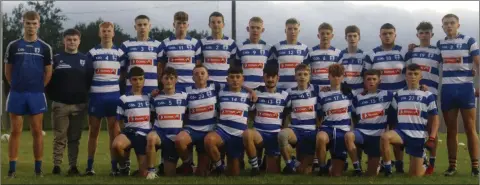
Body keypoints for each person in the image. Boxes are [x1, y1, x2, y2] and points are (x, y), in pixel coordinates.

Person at [4, 11, 53, 178]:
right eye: (28, 23)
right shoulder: (13, 45)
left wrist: (38, 87)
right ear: (23, 23)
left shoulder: (45, 48)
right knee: (15, 130)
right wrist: (17, 85)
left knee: (37, 131)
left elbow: (48, 72)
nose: (31, 26)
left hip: (36, 94)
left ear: (39, 24)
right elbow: (8, 70)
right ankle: (12, 169)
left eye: (34, 23)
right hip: (17, 93)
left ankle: (38, 169)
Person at [436, 13, 479, 177]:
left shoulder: (469, 40)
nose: (449, 26)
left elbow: (478, 63)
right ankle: (452, 167)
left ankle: (475, 167)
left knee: (470, 128)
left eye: (452, 23)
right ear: (442, 27)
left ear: (458, 25)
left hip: (466, 88)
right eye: (446, 24)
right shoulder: (440, 44)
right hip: (447, 88)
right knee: (451, 130)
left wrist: (478, 85)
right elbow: (431, 63)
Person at [380, 63, 440, 177]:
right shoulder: (398, 94)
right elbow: (392, 117)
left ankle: (424, 163)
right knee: (385, 137)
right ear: (405, 76)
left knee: (414, 175)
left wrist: (431, 138)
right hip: (401, 133)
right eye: (410, 74)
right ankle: (388, 169)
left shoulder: (428, 95)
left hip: (417, 135)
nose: (413, 76)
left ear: (420, 77)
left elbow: (436, 120)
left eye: (416, 74)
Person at [365, 23, 408, 173]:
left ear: (395, 34)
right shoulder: (372, 54)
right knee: (380, 132)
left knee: (396, 131)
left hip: (400, 99)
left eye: (390, 33)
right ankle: (383, 162)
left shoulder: (404, 52)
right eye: (384, 33)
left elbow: (412, 73)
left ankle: (400, 164)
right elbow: (367, 77)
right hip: (380, 99)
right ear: (380, 35)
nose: (387, 36)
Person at [84, 21, 125, 176]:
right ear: (99, 33)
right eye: (104, 31)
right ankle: (89, 166)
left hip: (113, 96)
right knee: (93, 131)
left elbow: (123, 74)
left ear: (113, 33)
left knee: (114, 132)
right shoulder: (92, 52)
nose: (106, 33)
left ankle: (114, 167)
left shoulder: (120, 53)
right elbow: (88, 75)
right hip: (96, 96)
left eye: (109, 30)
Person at [47, 28, 88, 176]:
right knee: (59, 137)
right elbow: (47, 80)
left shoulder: (85, 59)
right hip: (60, 105)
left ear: (79, 41)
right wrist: (54, 97)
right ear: (64, 41)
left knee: (74, 138)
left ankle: (73, 166)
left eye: (75, 39)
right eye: (69, 39)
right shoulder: (56, 59)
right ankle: (57, 166)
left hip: (79, 105)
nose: (72, 42)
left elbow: (89, 81)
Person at [405, 21, 442, 175]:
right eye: (421, 32)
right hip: (414, 94)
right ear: (417, 34)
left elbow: (451, 66)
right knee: (417, 126)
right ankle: (421, 159)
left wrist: (470, 72)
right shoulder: (411, 52)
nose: (424, 35)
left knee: (432, 126)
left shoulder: (438, 51)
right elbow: (406, 72)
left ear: (432, 34)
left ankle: (431, 163)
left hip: (431, 92)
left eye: (427, 32)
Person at [204, 66, 254, 176]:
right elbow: (205, 83)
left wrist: (251, 90)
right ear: (227, 80)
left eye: (238, 77)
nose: (235, 80)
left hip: (238, 134)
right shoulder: (220, 91)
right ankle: (219, 168)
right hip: (222, 132)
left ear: (242, 79)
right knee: (209, 140)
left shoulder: (249, 95)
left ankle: (234, 165)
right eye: (232, 77)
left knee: (234, 174)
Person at [345, 69, 394, 176]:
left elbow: (404, 96)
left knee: (371, 174)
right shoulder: (357, 98)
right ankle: (357, 168)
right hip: (361, 133)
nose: (371, 81)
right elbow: (354, 115)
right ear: (364, 81)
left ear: (379, 81)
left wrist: (421, 88)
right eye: (368, 79)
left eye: (374, 79)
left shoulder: (388, 95)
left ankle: (382, 165)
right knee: (349, 136)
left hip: (377, 136)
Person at [175, 64, 220, 176]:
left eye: (202, 73)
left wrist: (252, 91)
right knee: (179, 140)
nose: (200, 76)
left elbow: (237, 86)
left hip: (208, 131)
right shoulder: (186, 91)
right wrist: (156, 93)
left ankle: (209, 164)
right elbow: (169, 91)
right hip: (192, 129)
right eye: (196, 74)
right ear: (192, 78)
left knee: (202, 173)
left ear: (208, 76)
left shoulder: (216, 87)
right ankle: (188, 163)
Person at [243, 64, 289, 176]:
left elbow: (287, 114)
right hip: (259, 134)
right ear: (263, 77)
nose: (270, 79)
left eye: (273, 77)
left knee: (274, 172)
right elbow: (238, 86)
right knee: (247, 133)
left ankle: (264, 160)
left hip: (275, 135)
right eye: (267, 77)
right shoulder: (256, 92)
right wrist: (250, 90)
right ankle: (255, 168)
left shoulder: (285, 94)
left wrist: (284, 129)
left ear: (278, 78)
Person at [146, 67, 188, 178]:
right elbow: (151, 116)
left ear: (176, 80)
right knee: (151, 138)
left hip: (174, 137)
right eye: (166, 78)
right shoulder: (155, 97)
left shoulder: (184, 96)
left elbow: (188, 116)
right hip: (160, 134)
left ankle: (169, 166)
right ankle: (151, 171)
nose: (169, 81)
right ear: (161, 80)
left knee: (169, 174)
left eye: (171, 78)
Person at [278, 64, 319, 175]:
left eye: (305, 74)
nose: (302, 77)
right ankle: (290, 165)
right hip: (295, 131)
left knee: (304, 172)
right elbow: (281, 104)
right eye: (299, 74)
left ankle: (301, 162)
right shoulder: (289, 92)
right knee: (282, 135)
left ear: (309, 76)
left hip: (311, 132)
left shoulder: (317, 90)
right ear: (295, 77)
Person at [111, 67, 151, 177]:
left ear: (144, 80)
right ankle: (124, 166)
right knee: (116, 145)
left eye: (140, 79)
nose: (138, 82)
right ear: (130, 81)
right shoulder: (123, 99)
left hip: (144, 135)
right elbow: (117, 122)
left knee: (143, 174)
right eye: (134, 79)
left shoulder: (149, 97)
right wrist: (117, 134)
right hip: (129, 133)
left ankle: (144, 169)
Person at [316, 64, 353, 177]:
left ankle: (334, 163)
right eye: (333, 76)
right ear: (329, 77)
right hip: (327, 128)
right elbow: (318, 115)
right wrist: (318, 127)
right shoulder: (322, 94)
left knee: (336, 174)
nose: (336, 79)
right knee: (320, 137)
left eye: (339, 76)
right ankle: (322, 167)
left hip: (343, 130)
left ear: (343, 77)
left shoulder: (350, 93)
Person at [159, 11, 202, 91]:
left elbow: (198, 66)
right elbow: (161, 66)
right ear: (174, 24)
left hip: (191, 85)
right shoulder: (165, 43)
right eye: (178, 23)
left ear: (188, 25)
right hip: (171, 86)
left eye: (184, 23)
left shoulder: (195, 43)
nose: (181, 26)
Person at [120, 15, 163, 94]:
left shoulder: (158, 45)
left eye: (145, 24)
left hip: (152, 89)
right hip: (131, 89)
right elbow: (122, 71)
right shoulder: (126, 45)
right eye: (139, 25)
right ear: (135, 27)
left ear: (149, 26)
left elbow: (160, 69)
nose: (142, 27)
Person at [268, 18, 309, 89]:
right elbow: (271, 70)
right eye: (289, 29)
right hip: (280, 87)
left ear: (299, 31)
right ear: (285, 31)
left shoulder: (304, 48)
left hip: (298, 88)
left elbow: (307, 71)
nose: (292, 31)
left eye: (295, 29)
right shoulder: (276, 47)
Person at [200, 11, 237, 85]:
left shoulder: (231, 43)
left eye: (219, 22)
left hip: (225, 83)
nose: (216, 24)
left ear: (223, 24)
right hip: (207, 83)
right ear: (209, 25)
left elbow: (234, 65)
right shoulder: (202, 42)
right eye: (213, 22)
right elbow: (199, 63)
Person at [235, 16, 272, 89]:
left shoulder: (268, 48)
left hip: (262, 88)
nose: (255, 30)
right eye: (252, 27)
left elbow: (271, 70)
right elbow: (237, 70)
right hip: (244, 87)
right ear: (248, 29)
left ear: (262, 30)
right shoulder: (240, 47)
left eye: (258, 28)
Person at [306, 22, 341, 88]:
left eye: (328, 33)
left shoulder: (338, 53)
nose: (325, 36)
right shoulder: (310, 51)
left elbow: (340, 73)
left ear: (332, 36)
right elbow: (304, 69)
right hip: (314, 86)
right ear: (318, 36)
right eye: (322, 33)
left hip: (330, 86)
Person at [338, 25, 369, 95]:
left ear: (359, 38)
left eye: (355, 36)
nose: (352, 38)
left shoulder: (364, 56)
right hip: (343, 91)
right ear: (346, 38)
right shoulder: (339, 55)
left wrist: (366, 89)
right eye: (349, 36)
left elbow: (367, 75)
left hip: (360, 91)